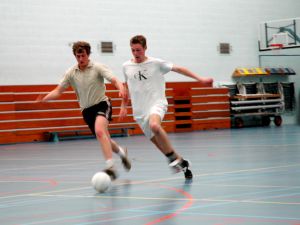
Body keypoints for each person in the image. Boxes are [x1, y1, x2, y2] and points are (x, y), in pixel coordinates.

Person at [120, 35, 213, 179]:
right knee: (159, 144)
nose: (136, 53)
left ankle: (171, 158)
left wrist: (200, 79)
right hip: (139, 111)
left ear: (145, 48)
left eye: (139, 50)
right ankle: (182, 163)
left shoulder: (156, 63)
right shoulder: (126, 66)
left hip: (156, 103)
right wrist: (123, 105)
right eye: (133, 50)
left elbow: (179, 69)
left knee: (155, 126)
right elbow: (126, 86)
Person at [37, 41, 131, 180]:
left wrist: (121, 89)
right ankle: (122, 153)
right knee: (104, 138)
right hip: (87, 111)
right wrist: (45, 98)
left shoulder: (97, 67)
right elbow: (58, 91)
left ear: (88, 54)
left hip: (102, 104)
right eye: (77, 56)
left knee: (100, 131)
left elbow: (114, 80)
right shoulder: (71, 73)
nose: (81, 59)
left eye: (83, 56)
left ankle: (110, 166)